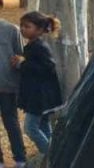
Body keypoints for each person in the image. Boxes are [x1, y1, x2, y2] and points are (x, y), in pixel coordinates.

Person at [10, 11, 63, 154]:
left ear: (39, 30)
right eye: (22, 26)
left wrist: (23, 63)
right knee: (44, 126)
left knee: (31, 128)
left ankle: (50, 156)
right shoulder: (31, 45)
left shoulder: (40, 46)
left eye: (27, 26)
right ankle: (54, 152)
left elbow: (48, 68)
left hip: (40, 96)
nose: (22, 29)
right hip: (38, 95)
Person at [0, 0, 27, 168]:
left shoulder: (11, 30)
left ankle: (20, 159)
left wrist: (20, 61)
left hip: (7, 85)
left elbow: (21, 55)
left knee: (11, 122)